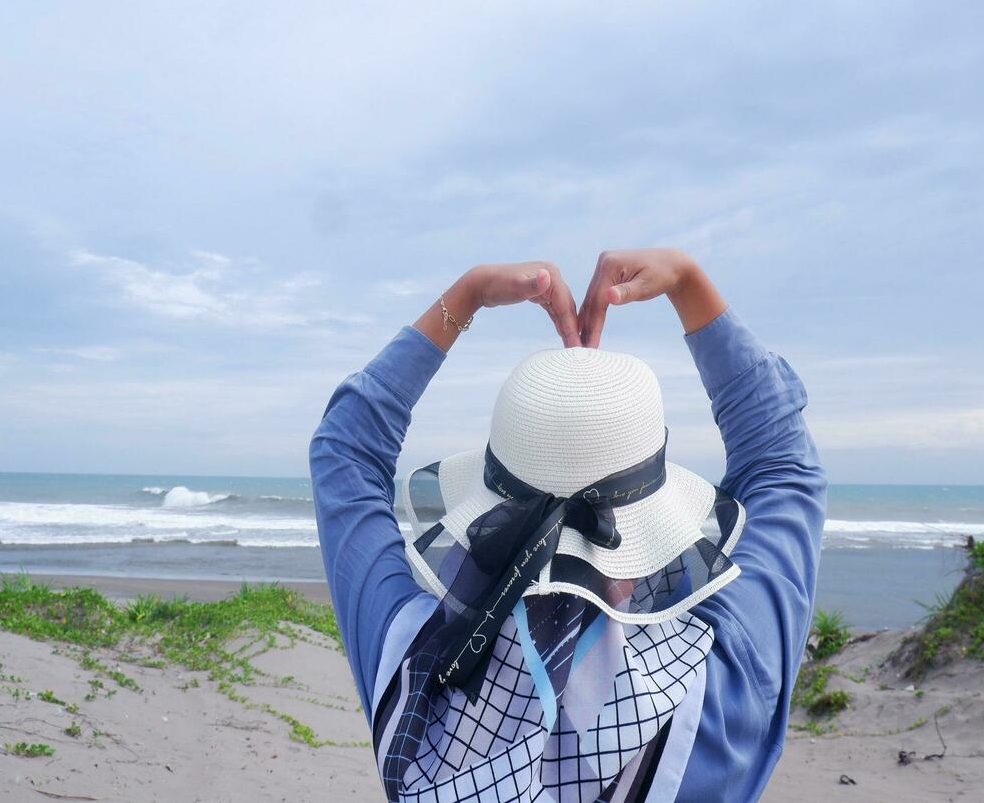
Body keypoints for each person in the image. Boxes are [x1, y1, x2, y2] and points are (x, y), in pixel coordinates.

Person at [310, 248, 826, 802]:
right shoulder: (725, 684)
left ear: (486, 512)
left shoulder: (413, 672)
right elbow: (780, 461)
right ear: (648, 536)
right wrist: (688, 283)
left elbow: (346, 452)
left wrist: (466, 297)